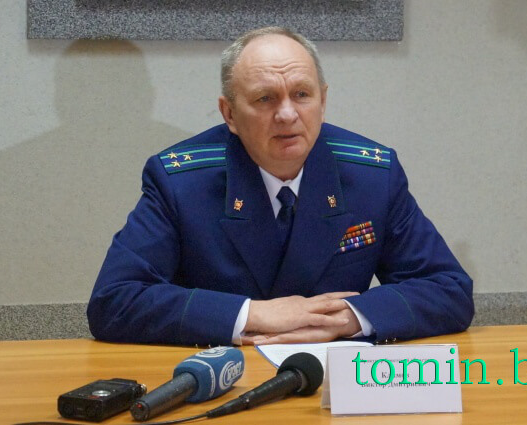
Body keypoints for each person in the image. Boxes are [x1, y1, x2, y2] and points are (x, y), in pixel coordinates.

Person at [87, 27, 474, 347]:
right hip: (222, 376)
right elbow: (114, 300)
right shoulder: (181, 182)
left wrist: (350, 318)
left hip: (330, 380)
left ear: (323, 101)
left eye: (302, 94)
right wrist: (252, 314)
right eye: (265, 98)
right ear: (229, 114)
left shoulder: (373, 176)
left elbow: (449, 289)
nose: (287, 114)